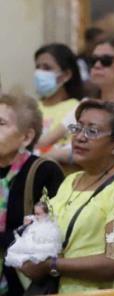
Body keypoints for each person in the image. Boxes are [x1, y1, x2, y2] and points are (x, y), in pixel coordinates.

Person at [19, 100, 114, 294]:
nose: (79, 137)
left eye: (92, 131)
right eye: (77, 128)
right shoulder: (70, 181)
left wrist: (52, 265)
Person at [41, 38, 114, 167]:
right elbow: (46, 141)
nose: (97, 65)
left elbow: (111, 149)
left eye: (106, 61)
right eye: (93, 61)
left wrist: (57, 153)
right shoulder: (86, 103)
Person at [0, 94, 64, 296]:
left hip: (21, 281)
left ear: (26, 137)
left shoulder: (44, 171)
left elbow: (47, 231)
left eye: (1, 123)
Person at [34, 43, 83, 153]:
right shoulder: (32, 107)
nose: (39, 73)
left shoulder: (76, 109)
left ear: (66, 75)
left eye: (47, 68)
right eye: (38, 67)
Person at [5, 201, 62, 269]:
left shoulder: (50, 227)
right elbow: (25, 233)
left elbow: (50, 243)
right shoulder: (35, 221)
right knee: (14, 249)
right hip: (31, 243)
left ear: (46, 213)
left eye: (38, 214)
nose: (36, 216)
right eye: (35, 214)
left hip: (41, 247)